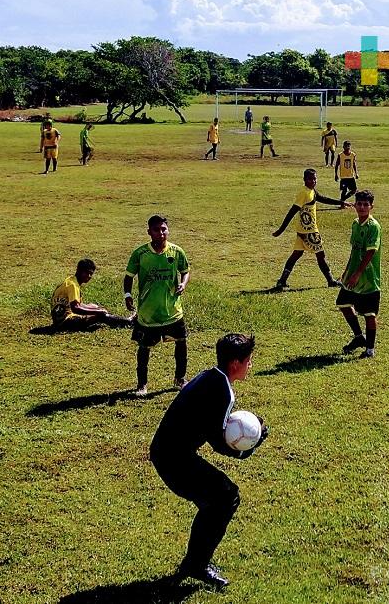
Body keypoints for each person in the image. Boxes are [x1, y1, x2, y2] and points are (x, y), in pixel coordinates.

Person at [150, 333, 268, 591]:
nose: (250, 365)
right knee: (227, 498)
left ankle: (195, 561)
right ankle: (197, 564)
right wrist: (249, 448)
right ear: (235, 363)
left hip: (169, 452)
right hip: (173, 459)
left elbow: (213, 427)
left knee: (215, 501)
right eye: (248, 360)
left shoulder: (211, 377)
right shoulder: (222, 390)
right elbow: (219, 442)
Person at [124, 215, 191, 396]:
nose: (161, 233)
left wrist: (183, 284)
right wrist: (128, 295)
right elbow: (129, 276)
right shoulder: (140, 254)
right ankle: (142, 385)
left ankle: (180, 379)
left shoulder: (177, 252)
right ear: (149, 232)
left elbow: (185, 271)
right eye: (156, 230)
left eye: (164, 229)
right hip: (148, 313)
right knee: (144, 348)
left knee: (181, 342)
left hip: (173, 311)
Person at [272, 168, 351, 289]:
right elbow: (292, 212)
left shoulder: (311, 191)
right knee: (321, 255)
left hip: (303, 230)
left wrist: (341, 202)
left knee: (296, 255)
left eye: (315, 178)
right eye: (310, 179)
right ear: (304, 180)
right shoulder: (304, 193)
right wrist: (281, 229)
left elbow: (323, 198)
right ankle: (331, 281)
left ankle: (282, 280)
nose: (313, 181)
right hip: (309, 230)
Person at [336, 190, 381, 358]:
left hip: (368, 278)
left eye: (365, 205)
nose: (361, 207)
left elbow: (370, 253)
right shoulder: (355, 224)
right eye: (359, 204)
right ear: (355, 205)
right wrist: (348, 271)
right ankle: (358, 337)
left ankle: (370, 349)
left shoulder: (373, 226)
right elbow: (354, 250)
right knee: (343, 304)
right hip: (353, 274)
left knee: (369, 313)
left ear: (371, 207)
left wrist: (358, 274)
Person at [50, 259, 132, 331]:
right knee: (100, 315)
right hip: (65, 322)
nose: (89, 276)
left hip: (59, 319)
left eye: (91, 274)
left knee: (94, 306)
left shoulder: (71, 280)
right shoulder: (73, 285)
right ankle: (128, 322)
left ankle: (118, 320)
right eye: (87, 273)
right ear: (79, 271)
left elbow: (77, 304)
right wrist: (99, 312)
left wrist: (96, 309)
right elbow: (76, 308)